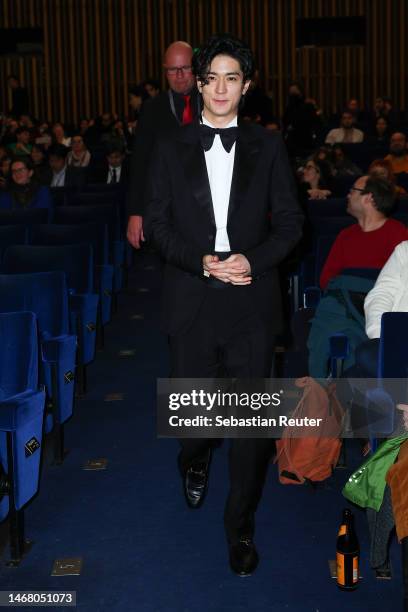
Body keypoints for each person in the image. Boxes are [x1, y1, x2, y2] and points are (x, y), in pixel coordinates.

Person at [144, 33, 303, 576]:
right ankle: (193, 458)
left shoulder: (269, 146)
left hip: (250, 304)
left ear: (247, 87)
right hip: (191, 300)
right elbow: (158, 227)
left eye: (231, 78)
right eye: (211, 77)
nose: (219, 87)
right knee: (195, 424)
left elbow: (291, 225)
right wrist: (201, 261)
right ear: (199, 82)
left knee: (251, 430)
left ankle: (240, 529)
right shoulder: (171, 146)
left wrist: (251, 261)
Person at [127, 40, 198, 249]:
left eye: (185, 68)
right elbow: (139, 163)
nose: (179, 76)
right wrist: (135, 212)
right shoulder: (151, 109)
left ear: (196, 68)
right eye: (172, 70)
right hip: (165, 210)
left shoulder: (214, 103)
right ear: (165, 72)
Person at [319, 175, 407, 290]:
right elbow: (325, 280)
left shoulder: (399, 234)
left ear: (368, 197)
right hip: (346, 301)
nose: (348, 195)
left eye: (352, 191)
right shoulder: (345, 235)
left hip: (384, 303)